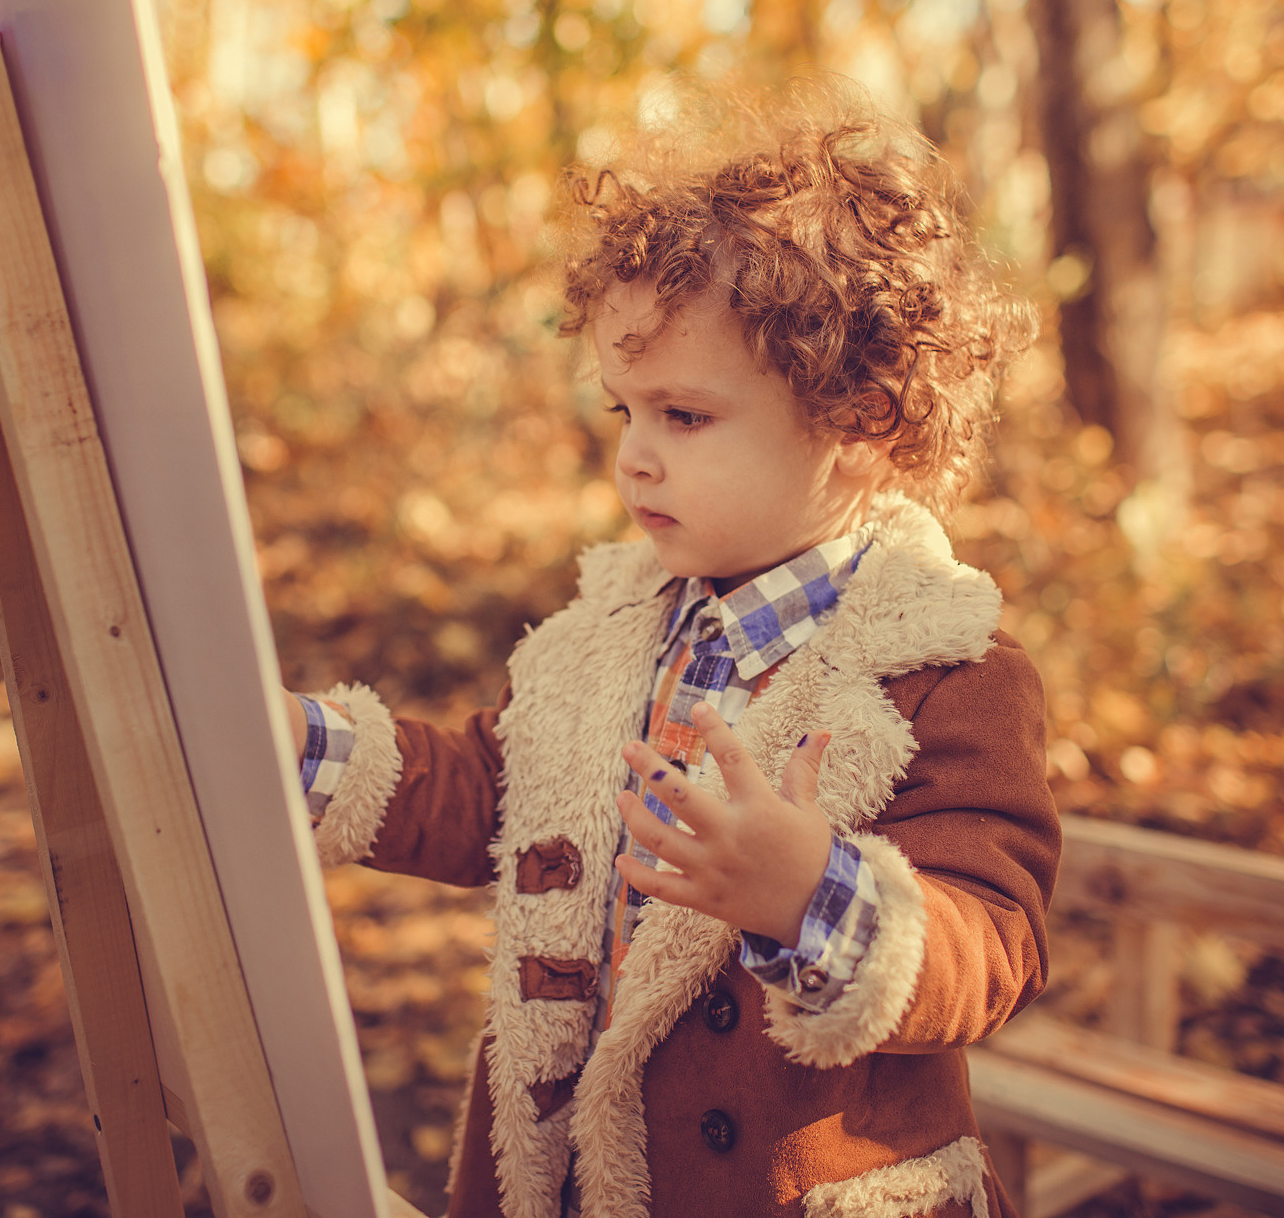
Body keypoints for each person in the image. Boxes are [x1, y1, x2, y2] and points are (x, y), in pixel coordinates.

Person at [285, 79, 1057, 1218]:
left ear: (858, 423)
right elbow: (486, 791)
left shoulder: (946, 669)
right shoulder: (604, 634)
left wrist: (808, 892)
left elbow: (993, 941)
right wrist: (299, 750)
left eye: (682, 417)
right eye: (622, 412)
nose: (633, 458)